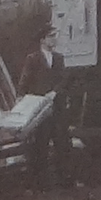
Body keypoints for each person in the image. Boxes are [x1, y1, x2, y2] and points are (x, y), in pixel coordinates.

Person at [18, 24, 71, 187]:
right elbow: (25, 82)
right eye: (51, 36)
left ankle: (65, 180)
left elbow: (63, 80)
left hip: (57, 108)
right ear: (42, 40)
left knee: (62, 142)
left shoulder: (59, 58)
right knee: (41, 143)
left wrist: (55, 92)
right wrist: (24, 100)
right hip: (41, 109)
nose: (54, 39)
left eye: (55, 35)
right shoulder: (32, 59)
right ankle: (40, 183)